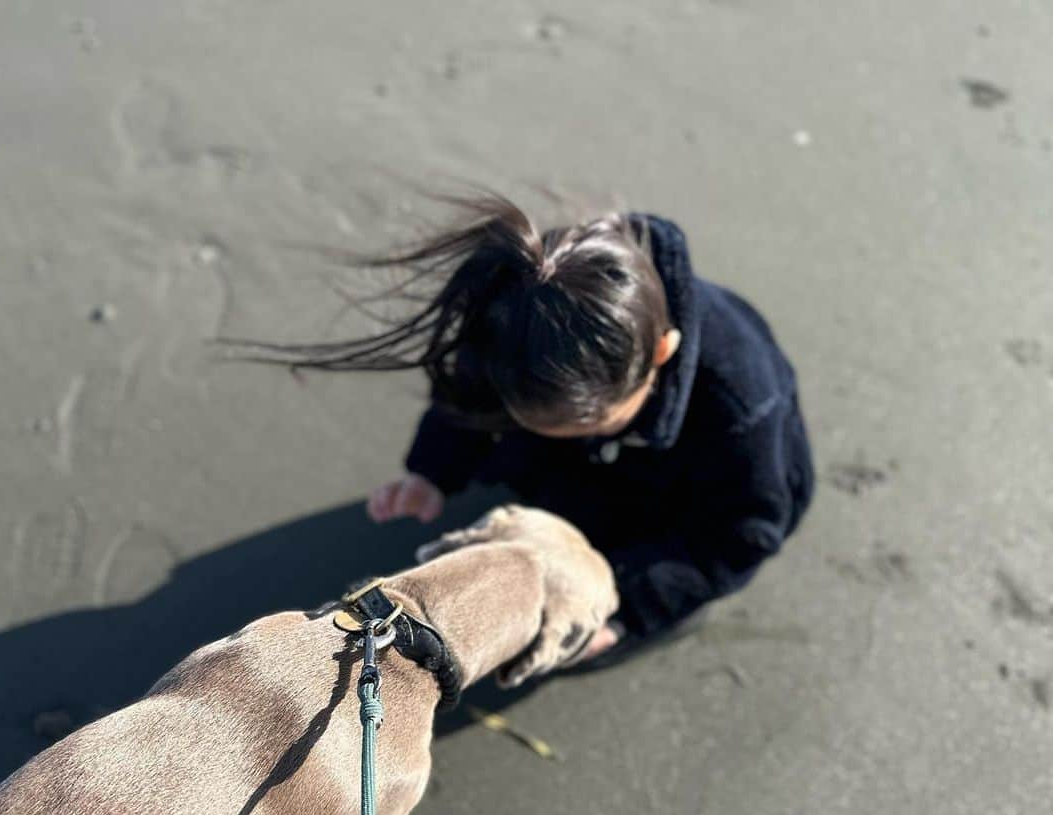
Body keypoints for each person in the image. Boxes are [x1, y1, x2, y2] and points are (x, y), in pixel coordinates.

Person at [237, 192, 815, 669]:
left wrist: (628, 610)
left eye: (581, 421)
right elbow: (461, 399)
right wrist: (433, 472)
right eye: (532, 417)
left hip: (687, 492)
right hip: (593, 463)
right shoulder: (516, 316)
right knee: (533, 459)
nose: (560, 430)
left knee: (593, 627)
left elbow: (743, 532)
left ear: (663, 352)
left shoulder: (743, 402)